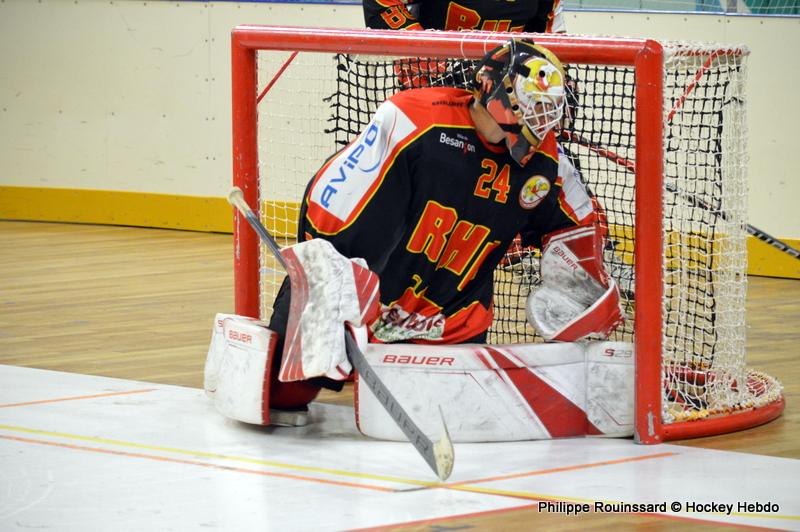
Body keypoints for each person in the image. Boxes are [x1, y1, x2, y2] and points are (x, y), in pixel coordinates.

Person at [263, 39, 622, 421]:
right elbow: (326, 204)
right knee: (283, 396)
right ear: (498, 89)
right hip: (367, 303)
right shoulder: (412, 120)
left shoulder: (548, 161)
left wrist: (585, 285)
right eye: (535, 105)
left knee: (453, 417)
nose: (544, 120)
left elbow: (576, 229)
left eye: (550, 109)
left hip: (452, 321)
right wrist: (335, 288)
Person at [363, 0, 565, 34]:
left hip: (503, 103)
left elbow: (548, 39)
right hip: (434, 93)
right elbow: (380, 5)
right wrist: (428, 56)